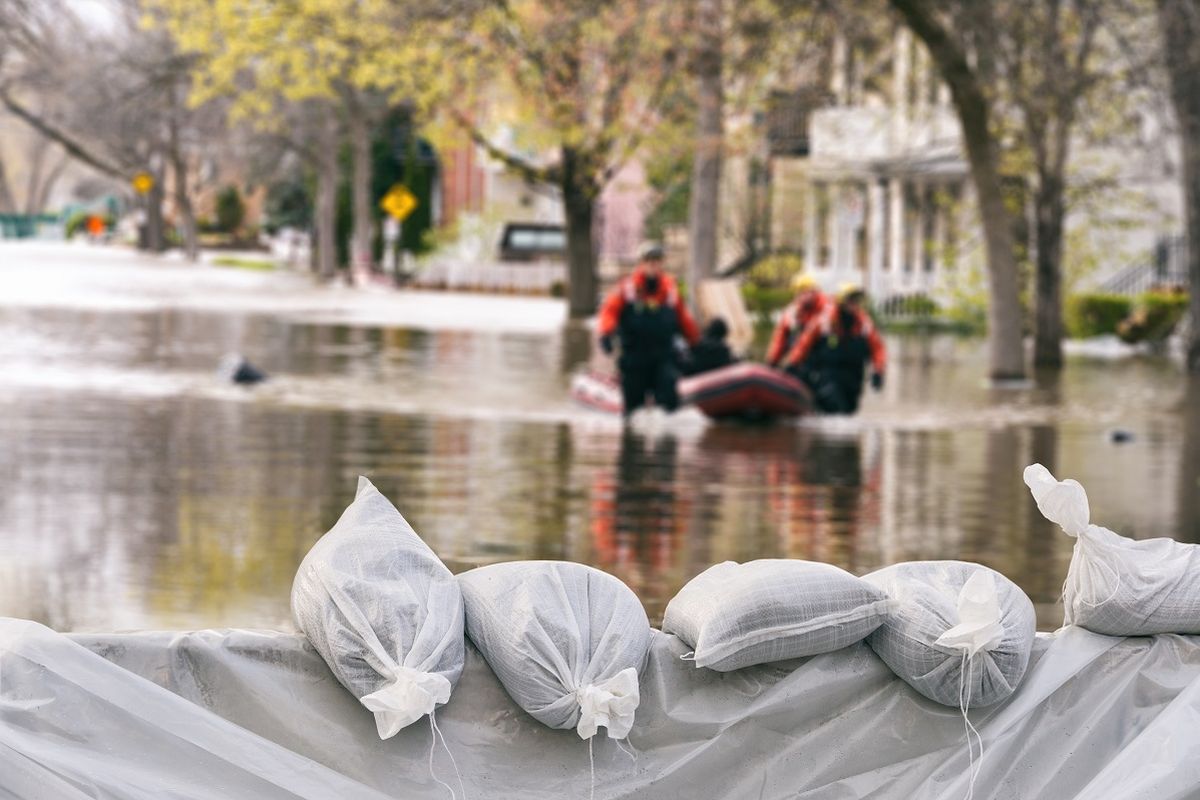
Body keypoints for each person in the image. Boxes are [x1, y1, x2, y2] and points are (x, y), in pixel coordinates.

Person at [597, 243, 700, 415]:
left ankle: (667, 438)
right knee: (632, 410)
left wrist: (696, 343)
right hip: (635, 358)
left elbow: (684, 319)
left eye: (657, 260)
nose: (653, 264)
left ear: (661, 263)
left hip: (663, 357)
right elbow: (609, 312)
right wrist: (606, 333)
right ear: (641, 263)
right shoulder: (627, 288)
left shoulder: (670, 290)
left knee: (669, 404)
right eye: (649, 260)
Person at [782, 282, 886, 414]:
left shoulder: (864, 324)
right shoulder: (824, 321)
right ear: (841, 302)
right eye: (851, 300)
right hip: (828, 376)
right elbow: (804, 344)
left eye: (856, 300)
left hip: (854, 378)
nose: (854, 304)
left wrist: (878, 371)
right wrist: (793, 363)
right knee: (834, 406)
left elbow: (878, 349)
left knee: (849, 411)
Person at [765, 272, 828, 368]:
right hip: (801, 359)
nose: (805, 295)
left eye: (808, 291)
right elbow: (780, 337)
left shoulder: (825, 309)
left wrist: (793, 362)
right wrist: (772, 361)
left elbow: (809, 336)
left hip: (819, 358)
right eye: (801, 292)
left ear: (815, 291)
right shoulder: (792, 311)